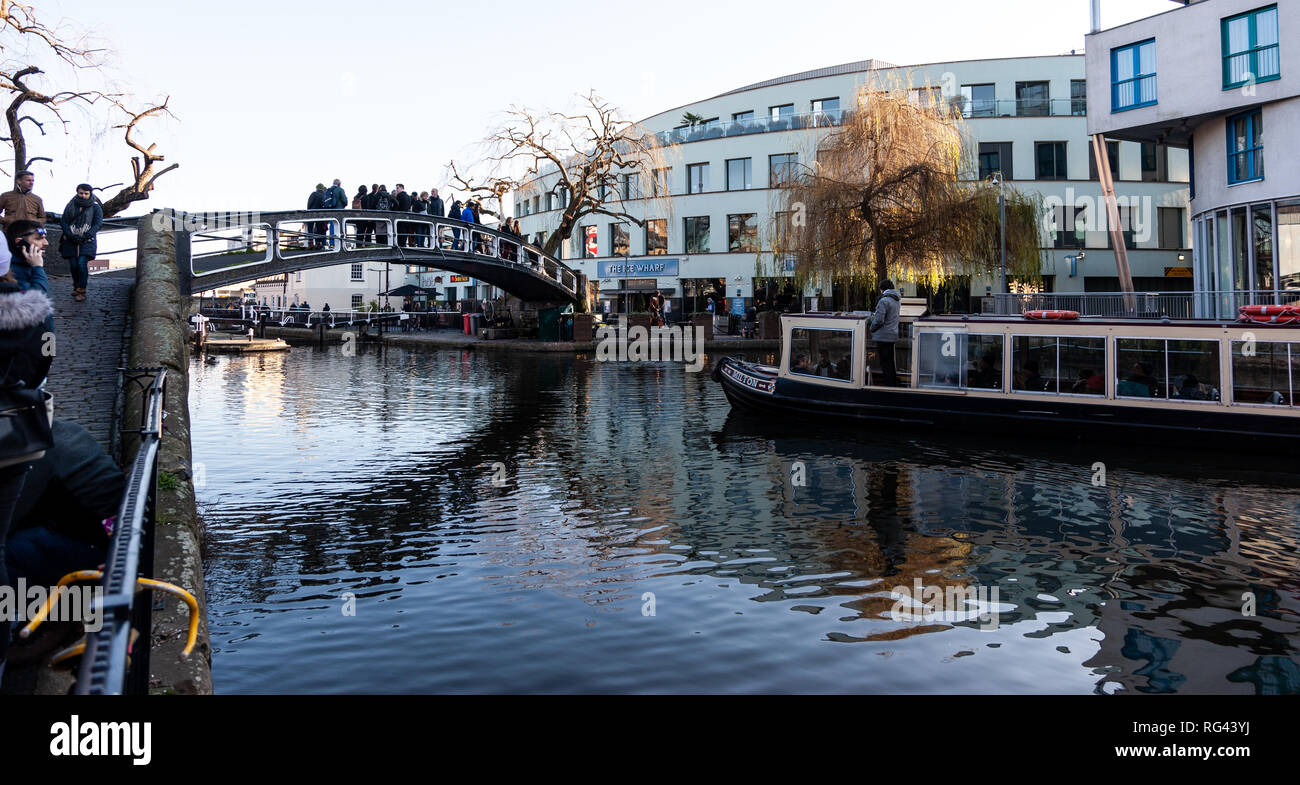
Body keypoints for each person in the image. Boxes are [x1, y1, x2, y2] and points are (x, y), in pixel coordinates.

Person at [0, 228, 56, 681]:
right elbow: (44, 357)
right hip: (13, 439)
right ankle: (4, 638)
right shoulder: (32, 311)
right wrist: (37, 272)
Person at [58, 184, 103, 303]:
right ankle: (76, 285)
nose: (83, 196)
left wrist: (87, 235)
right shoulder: (70, 205)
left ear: (90, 194)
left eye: (86, 193)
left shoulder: (95, 208)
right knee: (73, 265)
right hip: (70, 239)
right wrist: (69, 234)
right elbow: (64, 221)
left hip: (87, 240)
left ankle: (82, 290)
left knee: (82, 264)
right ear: (77, 193)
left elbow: (97, 223)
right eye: (81, 193)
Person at [870, 279, 901, 386]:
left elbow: (879, 320)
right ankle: (892, 384)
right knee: (890, 362)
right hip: (892, 335)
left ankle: (888, 385)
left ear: (882, 289)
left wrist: (871, 328)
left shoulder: (883, 301)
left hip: (883, 336)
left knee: (884, 363)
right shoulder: (896, 299)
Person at [6, 220, 49, 294]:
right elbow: (37, 299)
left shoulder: (26, 262)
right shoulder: (12, 271)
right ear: (20, 242)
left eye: (45, 238)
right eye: (39, 238)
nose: (46, 243)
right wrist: (38, 267)